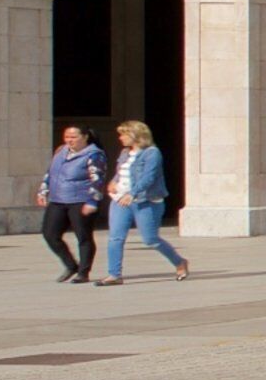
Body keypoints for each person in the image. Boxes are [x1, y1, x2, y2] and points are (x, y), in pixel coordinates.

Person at [97, 120, 188, 284]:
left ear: (136, 135)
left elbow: (149, 177)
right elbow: (121, 172)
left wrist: (132, 193)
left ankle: (179, 262)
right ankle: (114, 274)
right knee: (115, 238)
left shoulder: (152, 153)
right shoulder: (125, 152)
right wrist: (113, 182)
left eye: (124, 134)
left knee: (150, 239)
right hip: (119, 199)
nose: (120, 138)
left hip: (146, 201)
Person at [37, 124, 105, 283]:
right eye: (67, 136)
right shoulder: (61, 151)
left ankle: (83, 271)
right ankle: (70, 264)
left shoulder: (94, 154)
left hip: (80, 200)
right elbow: (50, 173)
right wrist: (43, 191)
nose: (69, 140)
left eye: (74, 137)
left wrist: (92, 201)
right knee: (50, 234)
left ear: (85, 137)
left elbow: (98, 179)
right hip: (58, 199)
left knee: (83, 236)